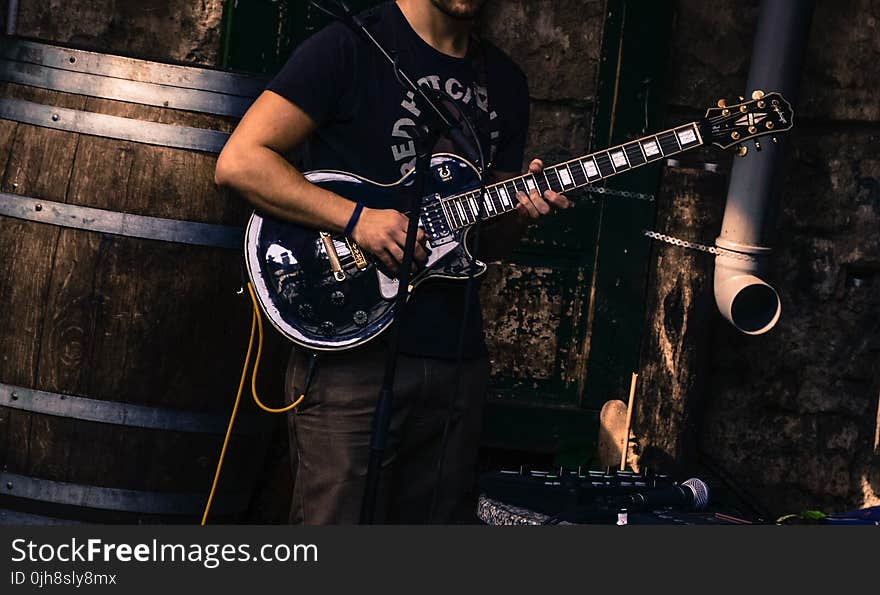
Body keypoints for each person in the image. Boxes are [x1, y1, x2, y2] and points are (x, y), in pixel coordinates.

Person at [214, 0, 570, 524]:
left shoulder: (505, 83)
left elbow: (482, 245)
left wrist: (519, 215)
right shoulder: (350, 47)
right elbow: (240, 162)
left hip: (455, 360)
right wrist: (357, 219)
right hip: (351, 356)